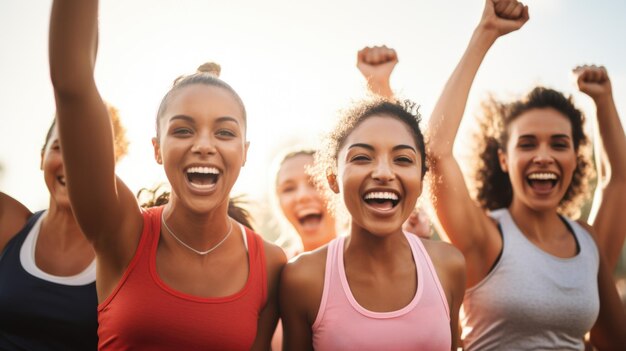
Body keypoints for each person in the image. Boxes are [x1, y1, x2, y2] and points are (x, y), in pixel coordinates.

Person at [48, 0, 286, 349]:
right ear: (157, 149)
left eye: (224, 133)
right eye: (183, 130)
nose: (204, 145)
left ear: (244, 152)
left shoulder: (271, 263)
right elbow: (72, 84)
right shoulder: (122, 233)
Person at [426, 0, 626, 349]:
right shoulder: (486, 236)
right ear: (504, 159)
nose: (544, 156)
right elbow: (436, 152)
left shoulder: (587, 242)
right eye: (528, 144)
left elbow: (620, 182)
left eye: (559, 144)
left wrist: (604, 102)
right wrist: (485, 34)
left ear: (574, 159)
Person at [280, 98, 466, 350]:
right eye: (362, 158)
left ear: (421, 181)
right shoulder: (303, 277)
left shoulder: (449, 265)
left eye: (402, 159)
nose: (383, 173)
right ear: (334, 179)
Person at [0, 105, 127, 350]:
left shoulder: (123, 250)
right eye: (60, 147)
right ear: (42, 157)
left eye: (90, 152)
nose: (73, 162)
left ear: (111, 166)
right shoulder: (7, 220)